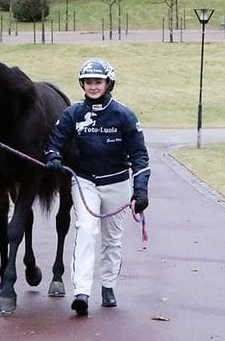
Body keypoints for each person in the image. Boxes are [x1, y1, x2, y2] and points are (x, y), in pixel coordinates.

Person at [43, 58, 150, 317]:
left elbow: (140, 156)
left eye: (97, 82)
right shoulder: (72, 114)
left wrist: (141, 190)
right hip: (84, 182)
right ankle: (81, 292)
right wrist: (53, 157)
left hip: (117, 183)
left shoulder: (124, 115)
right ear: (82, 84)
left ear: (108, 83)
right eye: (88, 82)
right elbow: (54, 142)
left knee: (112, 238)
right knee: (86, 230)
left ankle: (108, 286)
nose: (93, 86)